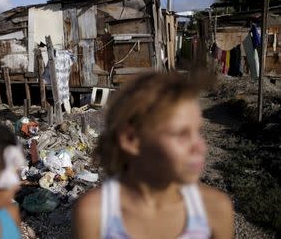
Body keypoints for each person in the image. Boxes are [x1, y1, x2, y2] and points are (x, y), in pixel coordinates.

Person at [72, 72, 234, 239]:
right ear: (131, 139)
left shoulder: (214, 209)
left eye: (198, 132)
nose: (200, 147)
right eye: (181, 134)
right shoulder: (95, 213)